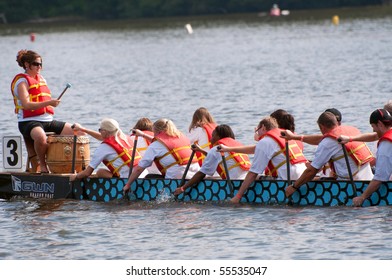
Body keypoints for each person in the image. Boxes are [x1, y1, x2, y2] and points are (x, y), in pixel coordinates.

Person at [11, 49, 82, 173]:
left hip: (47, 121)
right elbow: (27, 105)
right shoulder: (21, 82)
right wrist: (49, 102)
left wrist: (52, 103)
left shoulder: (41, 79)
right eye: (36, 64)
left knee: (78, 133)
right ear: (27, 65)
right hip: (28, 122)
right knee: (41, 137)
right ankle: (43, 166)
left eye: (41, 64)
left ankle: (75, 168)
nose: (39, 67)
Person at [285, 111, 375, 197]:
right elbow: (319, 139)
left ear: (321, 127)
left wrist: (294, 187)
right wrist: (294, 137)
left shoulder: (327, 142)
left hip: (351, 187)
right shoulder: (350, 131)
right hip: (369, 181)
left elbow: (311, 171)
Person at [224, 117, 308, 204]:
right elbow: (255, 149)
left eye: (257, 130)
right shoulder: (283, 136)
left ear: (263, 127)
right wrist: (228, 149)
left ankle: (249, 197)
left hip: (288, 180)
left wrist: (238, 196)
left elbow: (253, 173)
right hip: (303, 176)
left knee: (255, 176)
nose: (257, 133)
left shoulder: (265, 142)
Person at [123, 118, 200, 194]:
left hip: (177, 179)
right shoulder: (182, 137)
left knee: (149, 177)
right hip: (195, 176)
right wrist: (143, 135)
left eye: (154, 132)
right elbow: (161, 143)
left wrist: (128, 184)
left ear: (158, 132)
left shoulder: (155, 146)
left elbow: (139, 169)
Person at [173, 124, 251, 196]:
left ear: (219, 136)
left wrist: (183, 188)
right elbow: (216, 158)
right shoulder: (237, 146)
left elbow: (201, 174)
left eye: (213, 136)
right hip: (248, 180)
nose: (211, 139)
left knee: (206, 178)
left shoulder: (216, 149)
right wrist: (201, 151)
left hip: (234, 185)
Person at [69, 118, 143, 181]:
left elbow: (87, 173)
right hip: (142, 174)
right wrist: (82, 129)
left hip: (128, 179)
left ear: (105, 131)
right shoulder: (124, 138)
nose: (99, 132)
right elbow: (101, 137)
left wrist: (75, 177)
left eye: (100, 130)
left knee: (100, 172)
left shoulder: (104, 148)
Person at [351, 109, 392, 206]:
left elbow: (379, 178)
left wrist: (362, 197)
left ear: (380, 124)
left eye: (373, 126)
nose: (373, 130)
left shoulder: (386, 144)